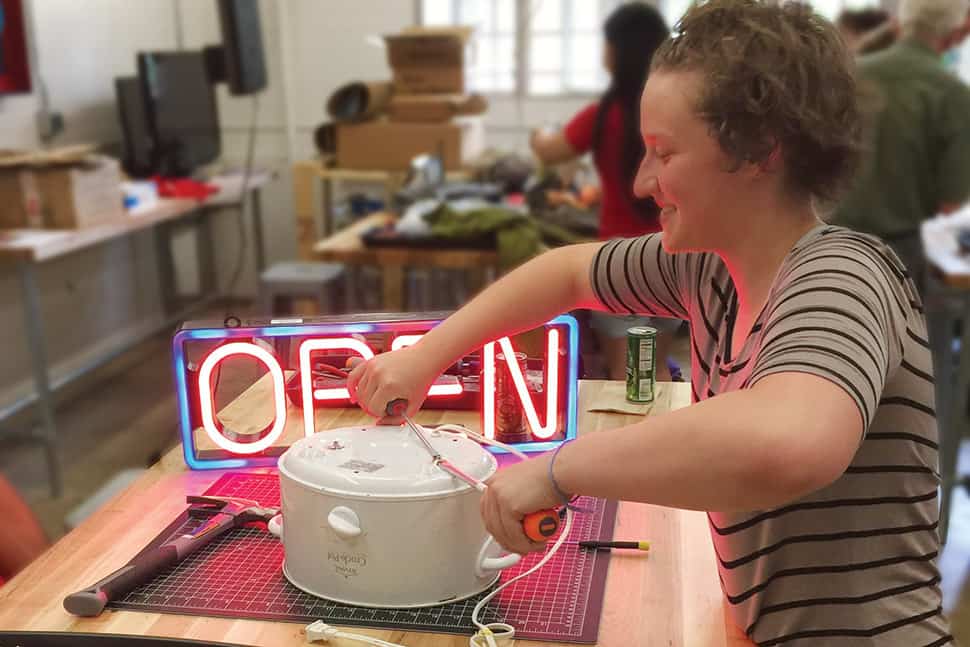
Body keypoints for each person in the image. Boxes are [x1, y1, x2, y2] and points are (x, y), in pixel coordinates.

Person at [349, 0, 952, 644]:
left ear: (758, 153)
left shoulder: (842, 276)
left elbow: (790, 439)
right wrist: (423, 356)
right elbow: (569, 273)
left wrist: (560, 469)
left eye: (664, 154)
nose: (642, 182)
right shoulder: (708, 270)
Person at [529, 3, 681, 381]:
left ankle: (630, 439)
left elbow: (551, 150)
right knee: (656, 369)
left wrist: (538, 135)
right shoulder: (676, 114)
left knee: (623, 374)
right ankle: (661, 440)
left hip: (618, 264)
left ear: (613, 51)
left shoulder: (603, 114)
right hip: (675, 255)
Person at [833, 0, 970, 290]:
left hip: (827, 241)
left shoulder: (846, 75)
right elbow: (951, 202)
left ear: (900, 22)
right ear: (959, 30)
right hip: (895, 255)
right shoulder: (953, 95)